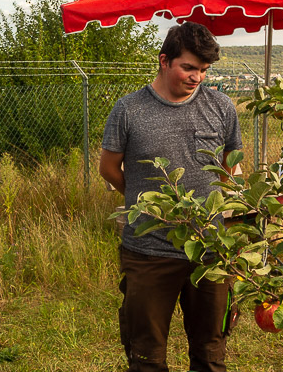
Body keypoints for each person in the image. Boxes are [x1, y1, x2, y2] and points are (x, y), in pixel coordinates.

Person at [99, 22, 241, 372]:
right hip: (148, 253)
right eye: (189, 67)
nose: (197, 78)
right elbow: (109, 168)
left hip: (210, 250)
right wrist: (142, 201)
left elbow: (232, 168)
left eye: (204, 70)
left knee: (210, 355)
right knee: (146, 356)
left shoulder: (221, 107)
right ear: (164, 61)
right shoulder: (129, 110)